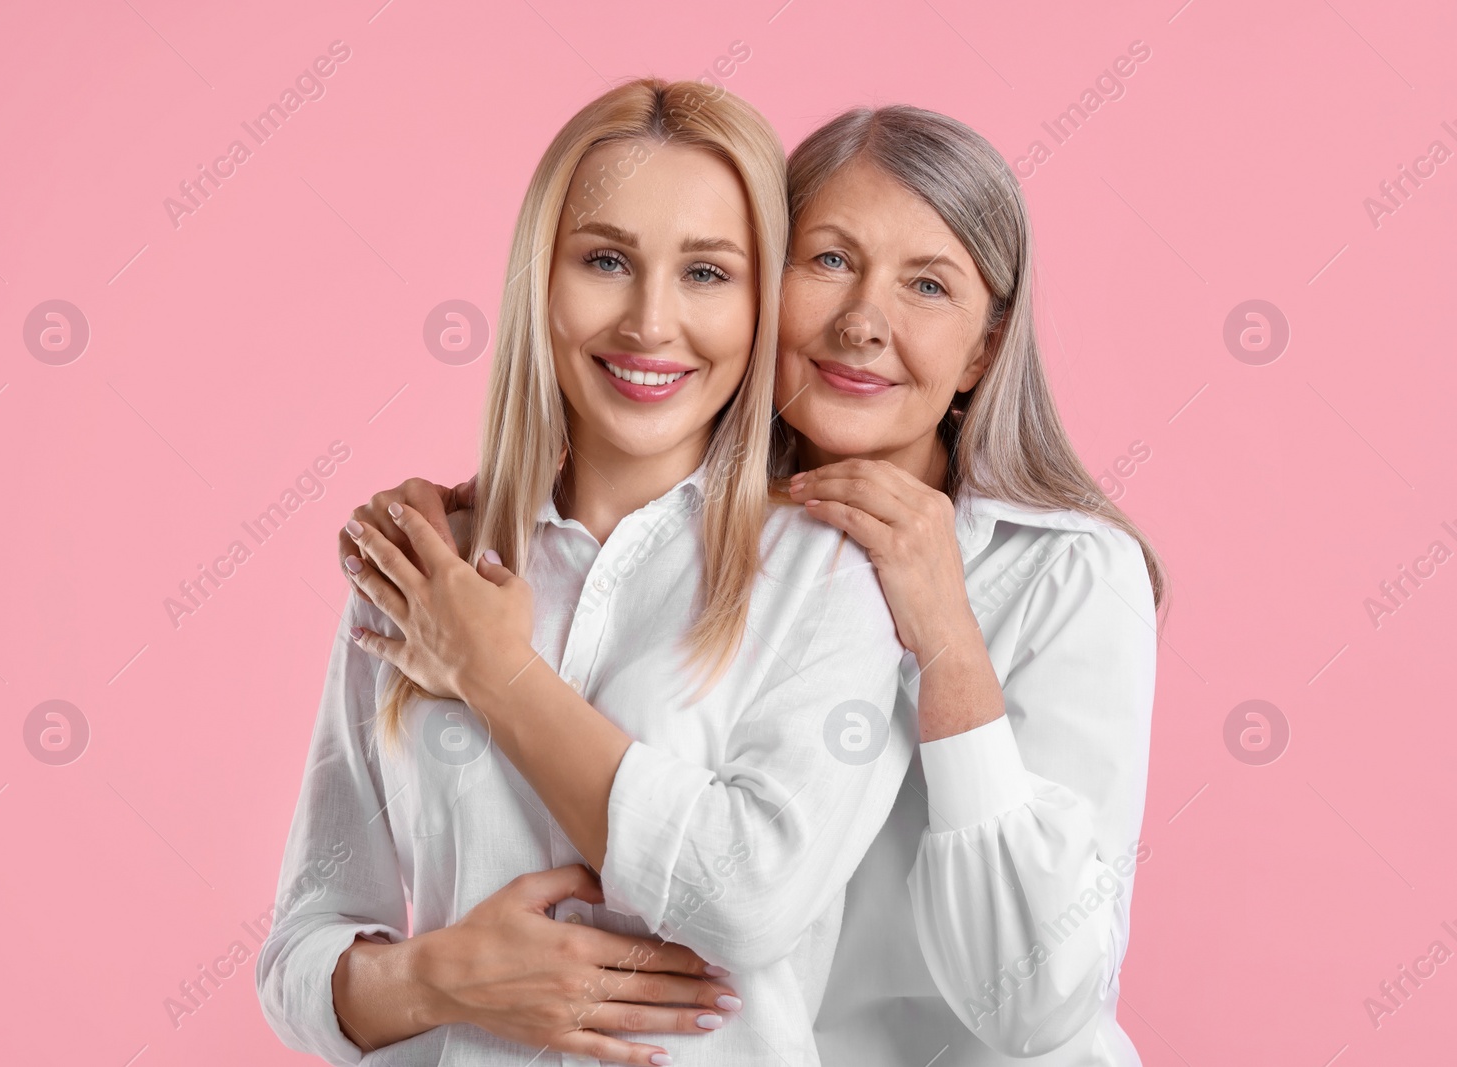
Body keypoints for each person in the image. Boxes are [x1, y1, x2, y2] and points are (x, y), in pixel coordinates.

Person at [336, 103, 1163, 1066]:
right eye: (829, 261)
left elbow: (1036, 1003)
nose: (863, 322)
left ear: (985, 346)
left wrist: (947, 640)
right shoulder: (685, 549)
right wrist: (469, 519)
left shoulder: (1066, 573)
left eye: (929, 284)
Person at [257, 79, 915, 1067]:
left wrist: (495, 672)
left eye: (706, 273)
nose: (650, 323)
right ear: (541, 277)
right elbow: (299, 958)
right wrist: (438, 976)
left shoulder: (827, 579)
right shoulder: (423, 561)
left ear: (763, 301)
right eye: (605, 259)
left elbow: (743, 900)